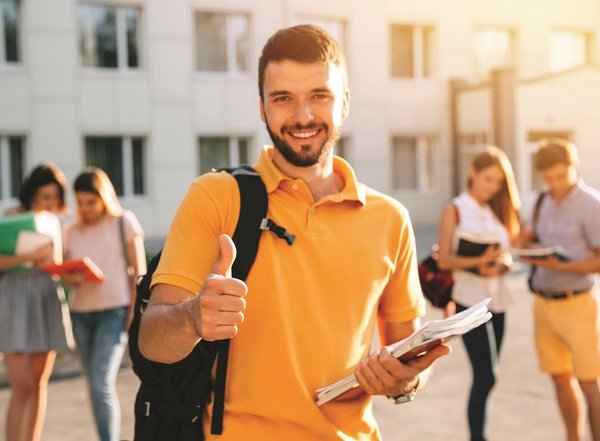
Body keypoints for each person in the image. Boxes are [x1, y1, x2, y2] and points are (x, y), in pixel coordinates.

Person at [138, 24, 450, 441]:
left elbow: (408, 355)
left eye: (319, 96)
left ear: (345, 104)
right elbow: (153, 340)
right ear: (262, 108)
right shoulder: (216, 197)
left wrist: (403, 383)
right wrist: (194, 317)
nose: (302, 116)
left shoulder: (390, 219)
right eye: (283, 98)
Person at [436, 146, 521, 441]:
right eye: (487, 179)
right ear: (473, 173)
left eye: (498, 182)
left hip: (498, 300)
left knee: (489, 376)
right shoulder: (455, 208)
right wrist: (479, 262)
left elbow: (508, 254)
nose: (492, 187)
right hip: (468, 301)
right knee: (487, 375)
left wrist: (501, 265)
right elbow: (444, 258)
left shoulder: (496, 211)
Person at [520, 138, 600, 441]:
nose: (554, 183)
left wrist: (563, 266)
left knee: (589, 384)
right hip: (543, 304)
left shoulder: (592, 205)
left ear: (573, 166)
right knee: (559, 379)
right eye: (548, 177)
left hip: (577, 304)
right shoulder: (541, 202)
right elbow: (525, 238)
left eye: (560, 176)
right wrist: (526, 249)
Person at [61, 167, 146, 441]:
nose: (85, 208)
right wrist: (71, 278)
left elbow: (140, 272)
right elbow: (67, 276)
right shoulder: (71, 231)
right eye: (80, 202)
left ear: (104, 197)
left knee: (100, 383)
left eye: (91, 201)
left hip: (115, 312)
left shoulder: (124, 222)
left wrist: (134, 314)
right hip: (80, 315)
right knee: (93, 385)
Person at [0, 162, 71, 441]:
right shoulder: (10, 217)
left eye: (55, 197)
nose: (51, 202)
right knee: (22, 385)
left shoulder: (54, 222)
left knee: (40, 383)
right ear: (31, 194)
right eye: (45, 196)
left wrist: (66, 269)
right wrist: (30, 257)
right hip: (14, 299)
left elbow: (55, 265)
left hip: (46, 297)